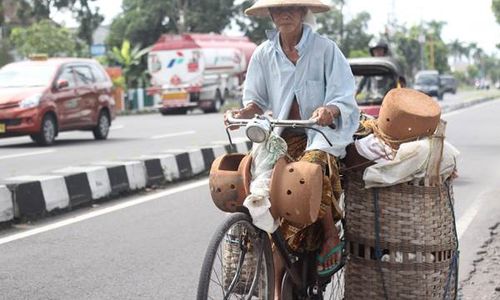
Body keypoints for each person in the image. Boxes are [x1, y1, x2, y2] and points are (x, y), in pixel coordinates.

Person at [228, 0, 359, 298]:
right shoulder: (263, 54)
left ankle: (328, 236)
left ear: (302, 13)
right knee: (263, 186)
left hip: (320, 134)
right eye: (277, 9)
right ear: (271, 15)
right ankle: (276, 289)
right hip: (281, 134)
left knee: (310, 167)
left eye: (291, 8)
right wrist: (240, 113)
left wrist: (330, 109)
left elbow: (344, 96)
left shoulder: (326, 49)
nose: (284, 14)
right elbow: (256, 102)